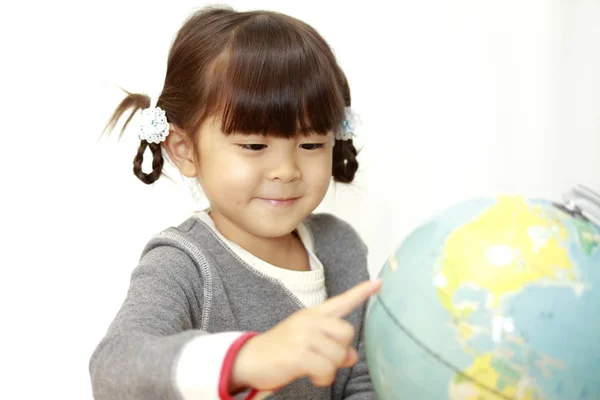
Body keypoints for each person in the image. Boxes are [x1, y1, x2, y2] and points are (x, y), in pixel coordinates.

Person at [89, 6, 381, 400]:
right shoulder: (184, 262)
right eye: (254, 145)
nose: (286, 170)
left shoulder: (340, 247)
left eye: (311, 144)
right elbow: (114, 370)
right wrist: (249, 357)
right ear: (185, 150)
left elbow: (365, 383)